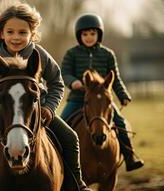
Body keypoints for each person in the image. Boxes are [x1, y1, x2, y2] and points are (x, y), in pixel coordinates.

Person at [0, 1, 96, 191]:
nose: (16, 37)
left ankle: (77, 187)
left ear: (31, 33)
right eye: (10, 32)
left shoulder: (40, 55)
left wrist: (49, 108)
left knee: (70, 138)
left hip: (37, 111)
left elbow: (57, 83)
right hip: (3, 114)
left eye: (22, 32)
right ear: (2, 33)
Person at [60, 13, 144, 172]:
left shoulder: (107, 54)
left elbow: (115, 78)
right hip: (78, 98)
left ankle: (130, 156)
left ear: (99, 34)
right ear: (79, 36)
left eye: (93, 33)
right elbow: (65, 73)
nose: (89, 37)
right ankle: (59, 160)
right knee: (61, 123)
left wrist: (123, 95)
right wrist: (73, 82)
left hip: (103, 100)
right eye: (85, 34)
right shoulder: (72, 54)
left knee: (120, 123)